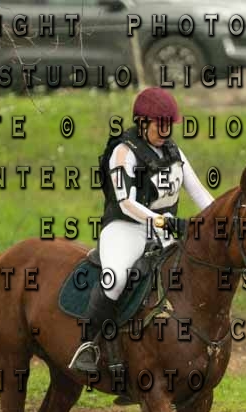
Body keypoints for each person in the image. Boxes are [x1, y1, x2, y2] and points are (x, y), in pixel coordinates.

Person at [69, 87, 216, 374]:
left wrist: (220, 220)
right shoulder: (123, 152)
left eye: (168, 125)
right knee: (116, 279)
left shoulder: (174, 151)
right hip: (125, 229)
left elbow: (199, 193)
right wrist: (166, 223)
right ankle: (88, 345)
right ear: (142, 122)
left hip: (162, 231)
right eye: (159, 124)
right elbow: (126, 203)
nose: (165, 131)